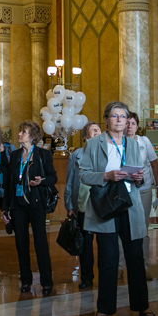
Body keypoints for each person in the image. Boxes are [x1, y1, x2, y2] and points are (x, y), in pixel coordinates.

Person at [78, 101, 158, 316]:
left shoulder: (133, 144)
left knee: (135, 258)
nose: (120, 120)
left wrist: (139, 177)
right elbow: (83, 174)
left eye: (123, 116)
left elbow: (139, 174)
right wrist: (106, 176)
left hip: (130, 204)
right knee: (108, 260)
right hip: (105, 205)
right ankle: (104, 309)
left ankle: (143, 306)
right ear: (106, 119)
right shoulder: (94, 144)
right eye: (115, 116)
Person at [1, 120, 58, 295]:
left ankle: (46, 282)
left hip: (37, 204)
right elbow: (9, 184)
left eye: (23, 132)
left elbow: (53, 177)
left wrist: (41, 181)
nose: (19, 134)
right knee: (21, 243)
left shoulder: (43, 155)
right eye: (20, 131)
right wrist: (5, 207)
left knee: (40, 242)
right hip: (18, 205)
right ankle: (25, 280)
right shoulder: (15, 155)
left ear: (32, 137)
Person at [125, 113, 158, 279]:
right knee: (124, 227)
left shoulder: (144, 142)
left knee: (143, 227)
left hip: (145, 190)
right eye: (127, 123)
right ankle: (121, 266)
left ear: (137, 125)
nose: (129, 126)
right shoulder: (118, 142)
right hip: (125, 190)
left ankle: (144, 265)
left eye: (133, 123)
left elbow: (154, 165)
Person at [64, 122, 101, 290]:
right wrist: (69, 204)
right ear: (86, 137)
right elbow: (70, 180)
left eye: (98, 129)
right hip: (83, 205)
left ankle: (105, 275)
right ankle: (86, 277)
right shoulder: (76, 155)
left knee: (104, 242)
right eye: (93, 130)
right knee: (85, 243)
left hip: (102, 205)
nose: (97, 132)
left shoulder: (106, 153)